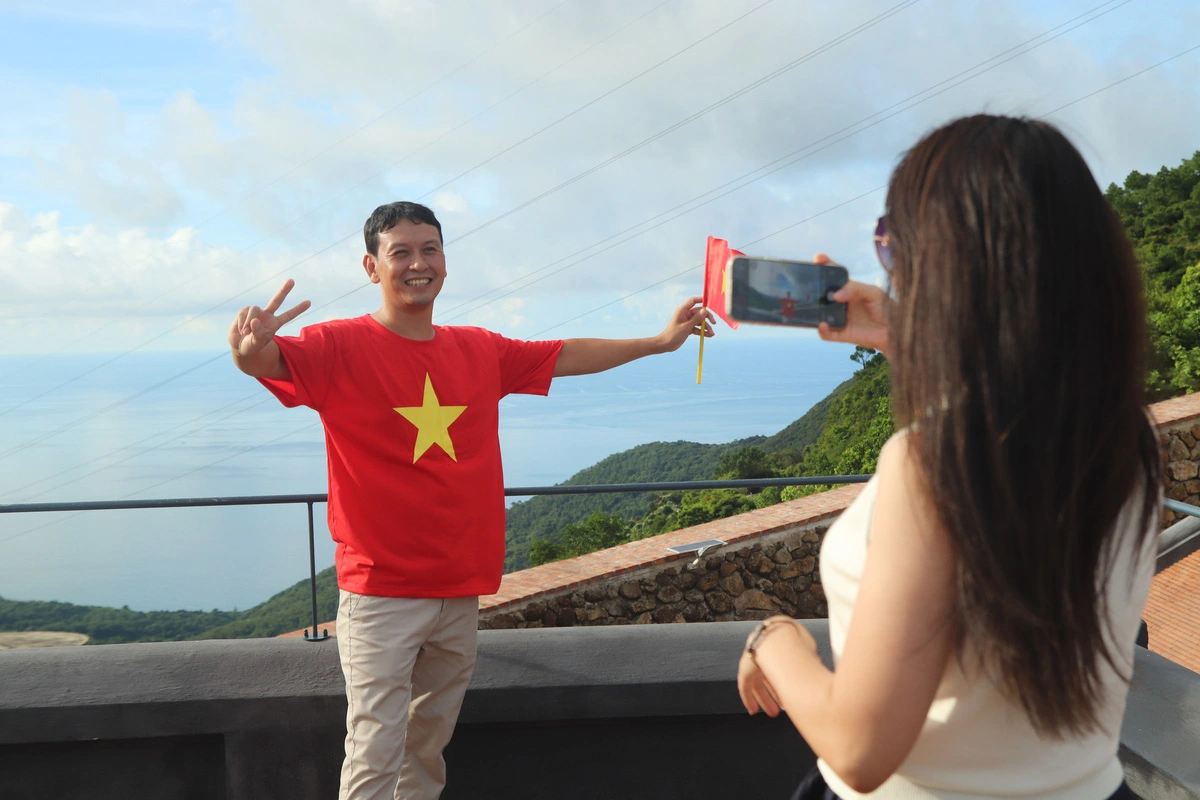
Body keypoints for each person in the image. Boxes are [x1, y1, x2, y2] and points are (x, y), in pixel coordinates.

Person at [228, 201, 714, 800]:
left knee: (425, 749)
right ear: (371, 267)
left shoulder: (478, 348)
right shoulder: (338, 346)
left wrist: (660, 342)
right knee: (375, 750)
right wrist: (249, 349)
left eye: (429, 249)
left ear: (444, 261)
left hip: (459, 589)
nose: (417, 263)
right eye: (400, 251)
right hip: (380, 593)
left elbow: (564, 354)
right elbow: (265, 361)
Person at [736, 115, 1160, 799]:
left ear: (947, 269)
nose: (888, 262)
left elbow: (859, 749)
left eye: (892, 243)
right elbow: (1007, 430)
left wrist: (772, 640)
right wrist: (907, 335)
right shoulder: (1125, 443)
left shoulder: (928, 468)